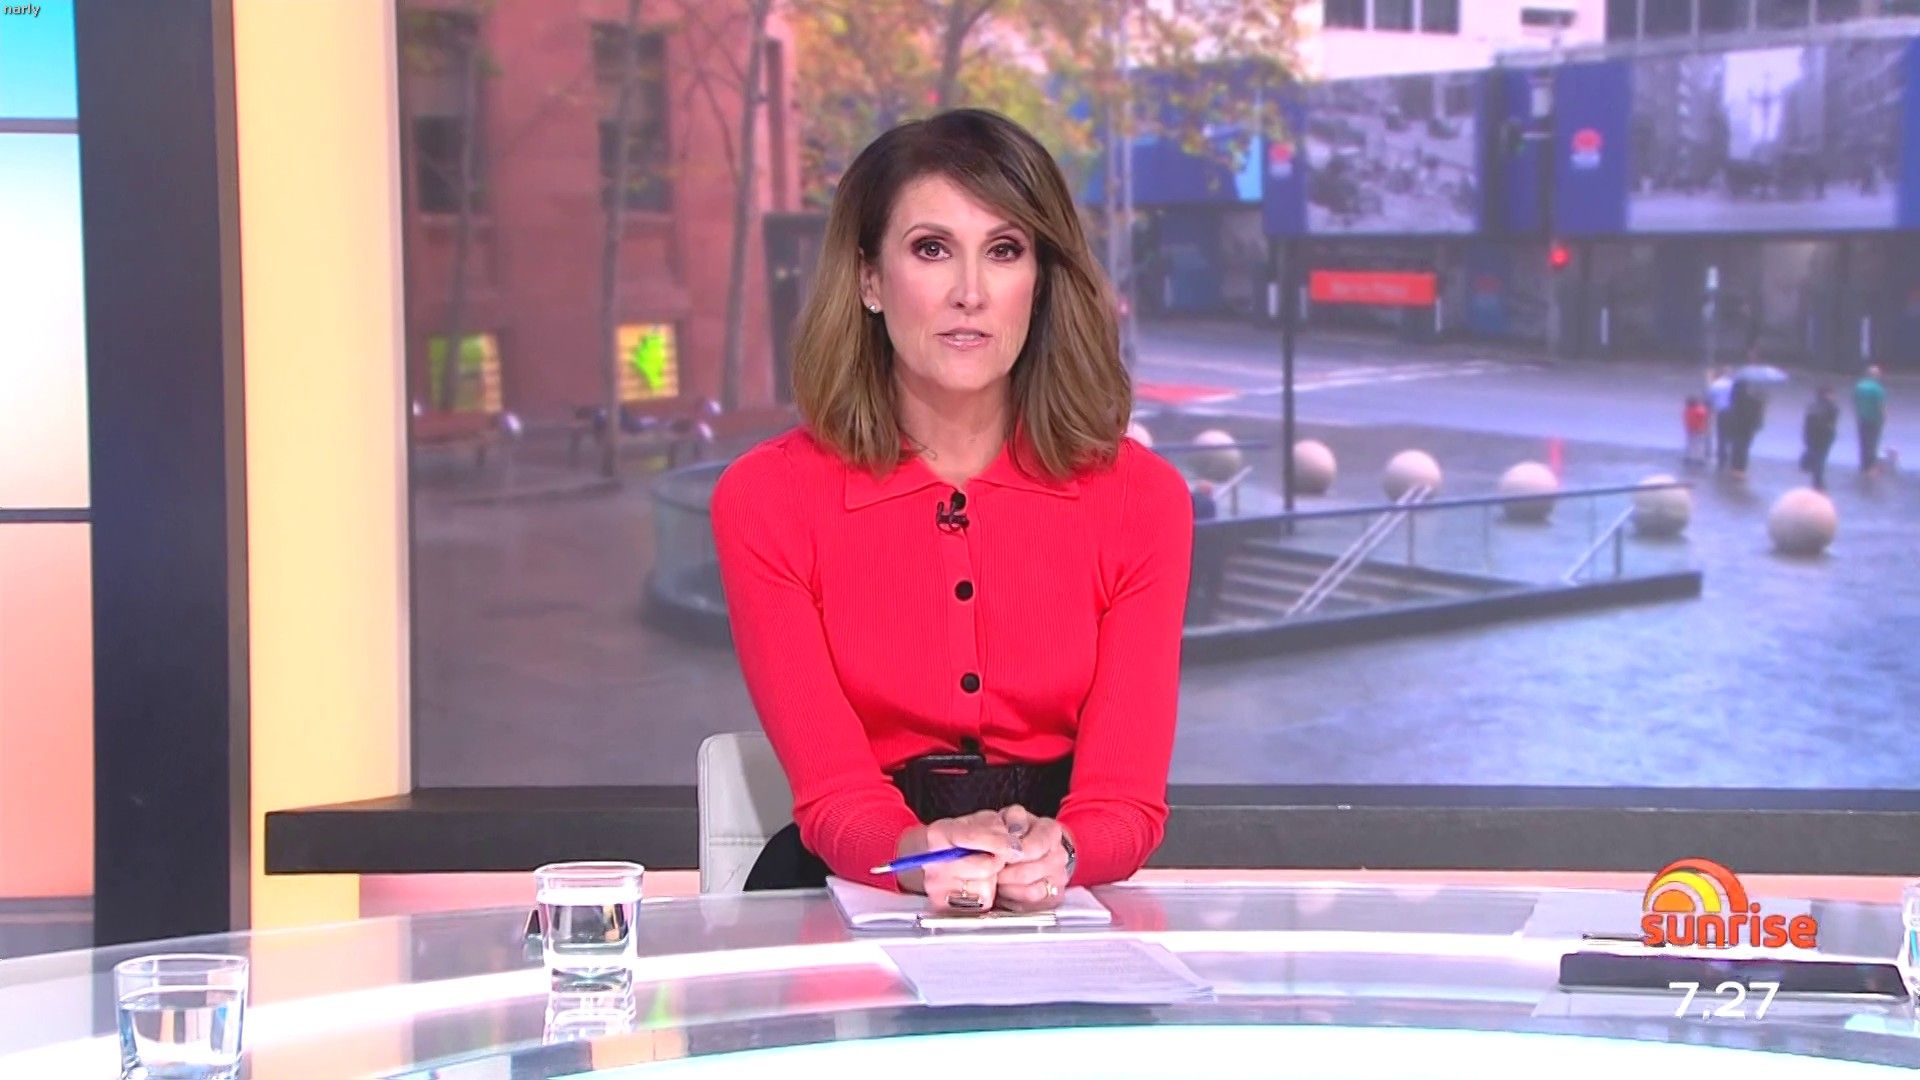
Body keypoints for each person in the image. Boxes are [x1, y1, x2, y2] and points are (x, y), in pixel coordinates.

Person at [709, 110, 1193, 914]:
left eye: (1004, 251)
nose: (970, 292)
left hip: (1055, 895)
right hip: (854, 889)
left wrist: (1062, 852)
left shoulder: (1142, 501)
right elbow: (834, 795)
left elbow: (1125, 805)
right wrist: (921, 856)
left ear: (1040, 281)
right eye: (932, 249)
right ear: (869, 280)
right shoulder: (768, 499)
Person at [1800, 385, 1838, 491]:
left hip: (1812, 436)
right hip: (1825, 436)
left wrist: (1806, 436)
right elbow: (1832, 423)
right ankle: (1818, 482)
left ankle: (1816, 478)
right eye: (1831, 394)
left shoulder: (1812, 407)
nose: (1834, 396)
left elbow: (1807, 423)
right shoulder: (1832, 408)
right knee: (1821, 459)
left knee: (1816, 455)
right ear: (1826, 395)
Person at [1854, 364, 1887, 475]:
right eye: (1878, 374)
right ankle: (1870, 467)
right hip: (1874, 419)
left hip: (1861, 418)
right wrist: (1884, 417)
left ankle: (1863, 465)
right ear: (1875, 375)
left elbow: (1855, 401)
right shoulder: (1878, 389)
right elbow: (1880, 405)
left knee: (1863, 442)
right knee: (1872, 443)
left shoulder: (1859, 386)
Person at [1706, 366, 1734, 470]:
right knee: (1732, 434)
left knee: (1721, 434)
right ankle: (1731, 455)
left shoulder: (1716, 384)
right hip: (1734, 412)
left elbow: (1709, 398)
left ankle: (1722, 456)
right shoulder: (1735, 385)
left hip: (1721, 412)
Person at [1682, 395, 1710, 467]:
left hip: (1691, 429)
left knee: (1690, 444)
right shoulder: (1701, 410)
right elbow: (1705, 419)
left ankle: (1689, 457)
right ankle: (1699, 458)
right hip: (1700, 429)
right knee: (1699, 444)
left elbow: (1686, 420)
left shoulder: (1687, 411)